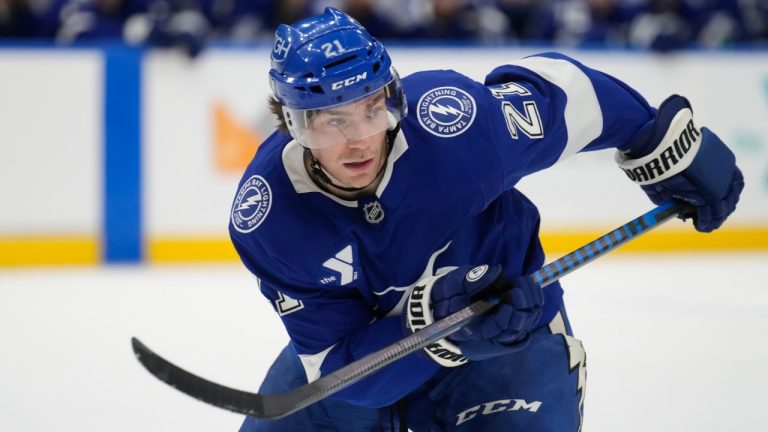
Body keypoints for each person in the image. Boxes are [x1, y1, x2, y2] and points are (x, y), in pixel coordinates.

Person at [229, 7, 743, 431]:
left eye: (371, 110)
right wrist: (436, 331)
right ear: (291, 123)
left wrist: (658, 143)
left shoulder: (454, 127)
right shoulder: (268, 219)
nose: (360, 139)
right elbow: (338, 373)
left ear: (393, 97)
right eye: (331, 122)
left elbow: (573, 97)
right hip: (370, 361)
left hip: (508, 341)